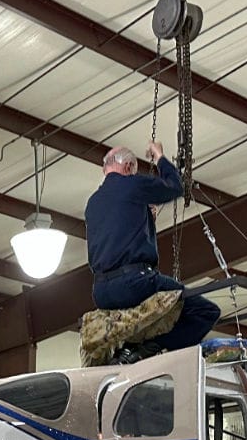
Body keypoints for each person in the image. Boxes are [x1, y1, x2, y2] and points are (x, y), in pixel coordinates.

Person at [85, 142, 221, 358]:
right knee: (205, 311)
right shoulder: (130, 185)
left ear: (105, 169)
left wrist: (146, 217)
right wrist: (159, 157)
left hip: (101, 291)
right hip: (134, 282)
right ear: (128, 167)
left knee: (146, 311)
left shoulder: (93, 203)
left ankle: (128, 351)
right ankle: (150, 349)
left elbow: (116, 236)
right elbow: (174, 186)